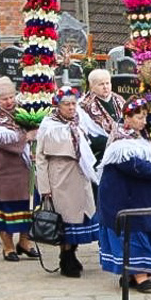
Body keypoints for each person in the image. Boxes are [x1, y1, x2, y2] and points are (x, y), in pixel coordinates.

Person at [97, 97, 151, 293]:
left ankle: (131, 274)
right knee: (131, 232)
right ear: (127, 118)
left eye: (145, 117)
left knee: (140, 229)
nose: (143, 121)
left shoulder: (141, 138)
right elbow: (134, 166)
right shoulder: (120, 141)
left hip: (138, 196)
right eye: (139, 117)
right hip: (122, 197)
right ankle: (139, 275)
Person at [34, 87, 99, 278]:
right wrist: (44, 187)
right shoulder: (49, 125)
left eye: (73, 104)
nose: (71, 108)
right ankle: (66, 256)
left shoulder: (79, 121)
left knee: (80, 216)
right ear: (58, 105)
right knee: (65, 218)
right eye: (66, 104)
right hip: (60, 177)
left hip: (79, 173)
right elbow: (41, 157)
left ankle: (73, 253)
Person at [0, 77, 38, 261]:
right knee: (4, 210)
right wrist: (26, 137)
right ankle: (8, 246)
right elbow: (4, 139)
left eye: (11, 97)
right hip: (0, 171)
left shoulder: (21, 110)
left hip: (22, 170)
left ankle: (24, 242)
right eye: (4, 99)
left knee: (27, 205)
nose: (9, 101)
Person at [79, 68, 126, 164]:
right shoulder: (84, 106)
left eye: (107, 83)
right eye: (101, 84)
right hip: (101, 150)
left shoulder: (119, 100)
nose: (105, 87)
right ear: (92, 86)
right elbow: (84, 133)